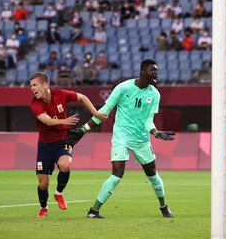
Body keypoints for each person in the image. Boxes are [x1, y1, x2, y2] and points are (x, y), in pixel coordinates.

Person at [66, 59, 175, 219]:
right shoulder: (123, 88)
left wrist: (155, 132)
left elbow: (148, 121)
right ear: (143, 71)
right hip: (121, 137)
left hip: (141, 140)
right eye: (153, 70)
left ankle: (163, 207)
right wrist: (85, 128)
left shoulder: (154, 94)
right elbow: (105, 110)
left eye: (157, 71)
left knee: (152, 175)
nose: (156, 73)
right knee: (117, 173)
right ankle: (94, 211)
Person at [29, 72, 107, 218]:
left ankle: (59, 193)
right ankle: (44, 207)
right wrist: (64, 122)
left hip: (62, 140)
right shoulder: (35, 103)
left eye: (35, 85)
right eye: (30, 86)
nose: (32, 88)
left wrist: (95, 113)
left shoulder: (61, 94)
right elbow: (47, 121)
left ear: (45, 85)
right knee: (43, 183)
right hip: (44, 145)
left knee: (65, 165)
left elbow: (82, 97)